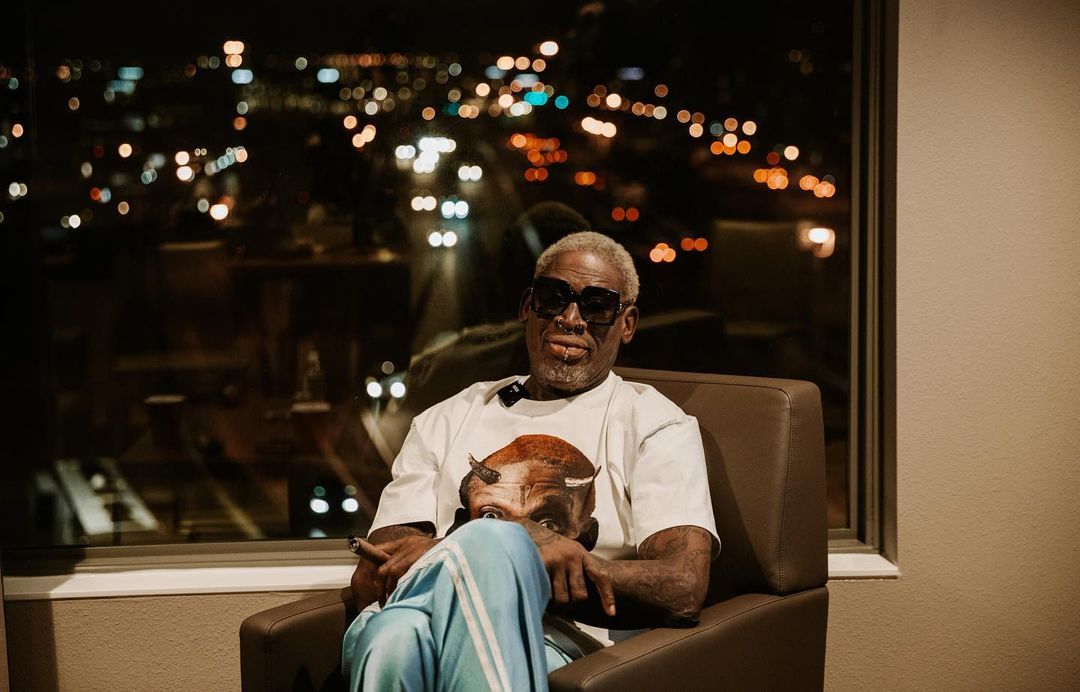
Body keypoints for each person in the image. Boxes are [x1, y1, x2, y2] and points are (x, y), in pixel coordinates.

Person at [344, 230, 719, 691]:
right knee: (394, 632)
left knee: (395, 637)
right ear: (528, 305)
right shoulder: (447, 418)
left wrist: (506, 559)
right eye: (553, 298)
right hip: (421, 619)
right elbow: (374, 574)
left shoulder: (655, 425)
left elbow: (683, 584)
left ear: (627, 324)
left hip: (559, 640)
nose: (570, 319)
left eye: (597, 306)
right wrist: (523, 539)